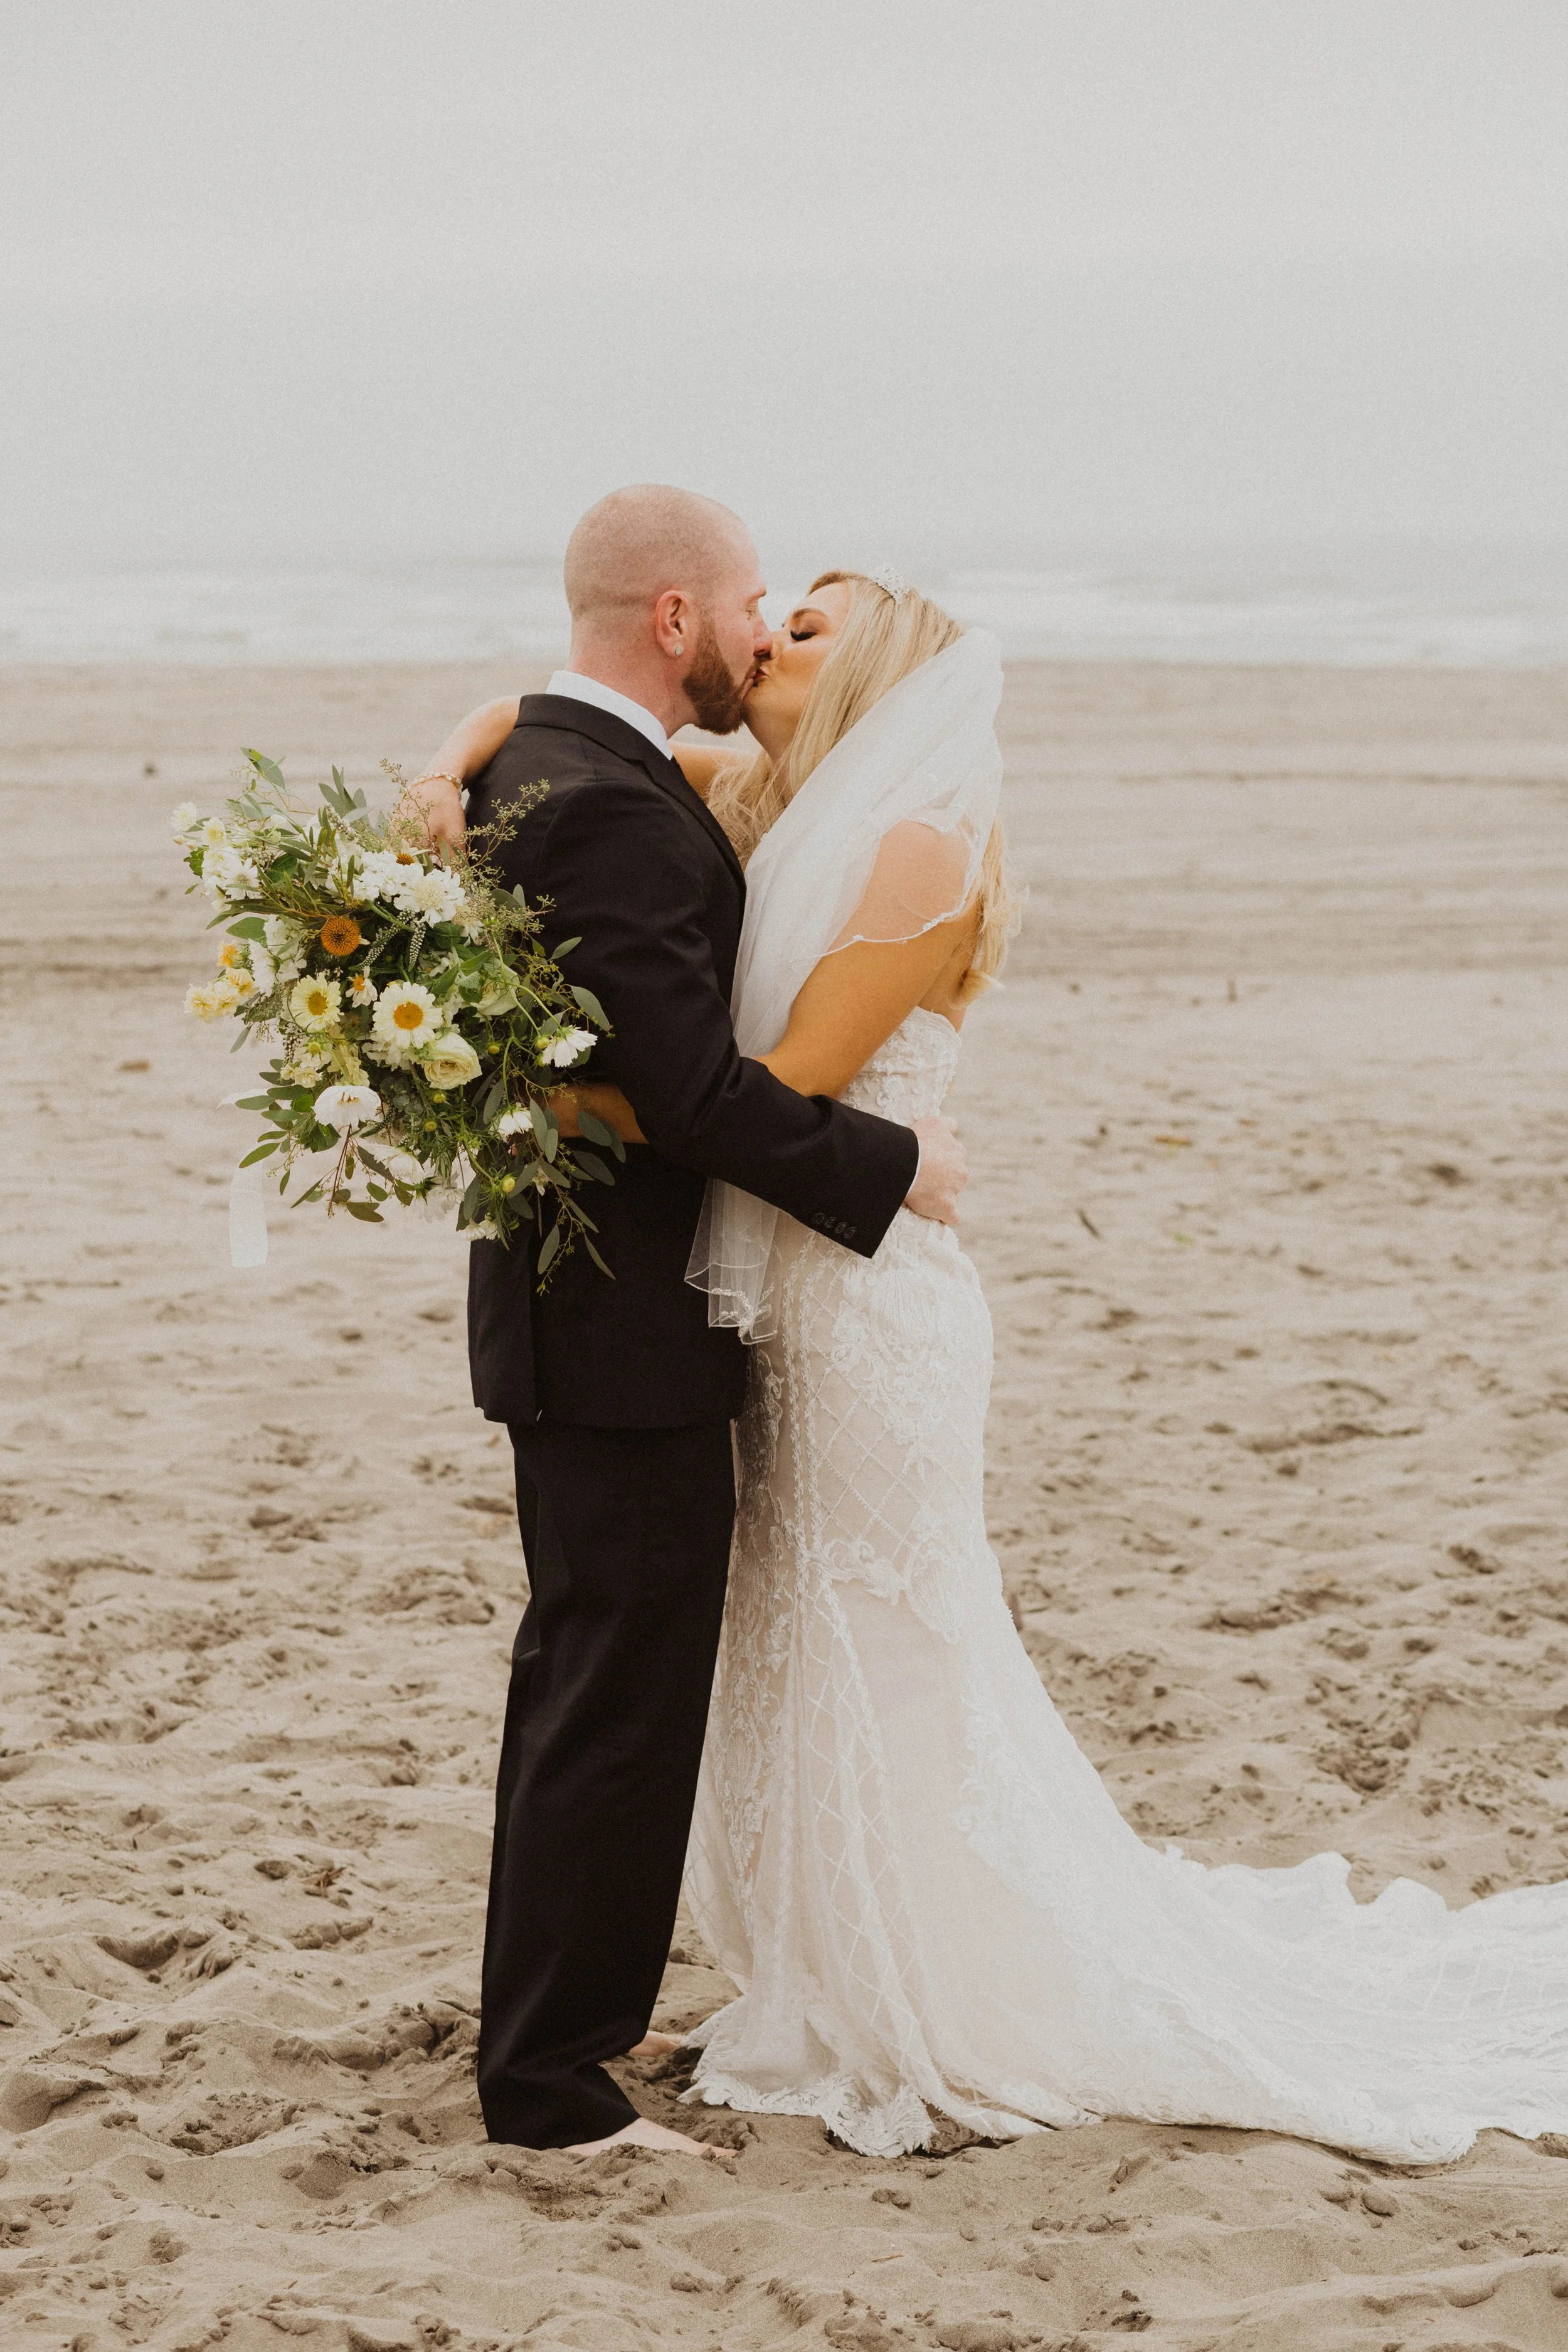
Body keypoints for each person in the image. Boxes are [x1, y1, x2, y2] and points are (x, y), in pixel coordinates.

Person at [421, 561, 1568, 2168]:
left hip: (865, 1313)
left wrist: (563, 1102)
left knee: (890, 1643)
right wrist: (454, 757)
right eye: (763, 612)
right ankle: (806, 1975)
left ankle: (931, 1983)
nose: (766, 638)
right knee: (781, 1646)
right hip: (779, 1298)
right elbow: (563, 733)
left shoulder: (905, 841)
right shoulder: (770, 793)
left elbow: (757, 1091)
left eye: (804, 629)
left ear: (877, 672)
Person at [405, 490, 968, 2158]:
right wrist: (894, 1164)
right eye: (744, 609)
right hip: (613, 1324)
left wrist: (465, 734)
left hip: (588, 1313)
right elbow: (693, 1091)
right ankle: (552, 2084)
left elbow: (640, 1064)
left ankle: (557, 2010)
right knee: (615, 1694)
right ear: (672, 619)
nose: (752, 636)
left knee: (581, 1678)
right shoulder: (619, 815)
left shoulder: (543, 770)